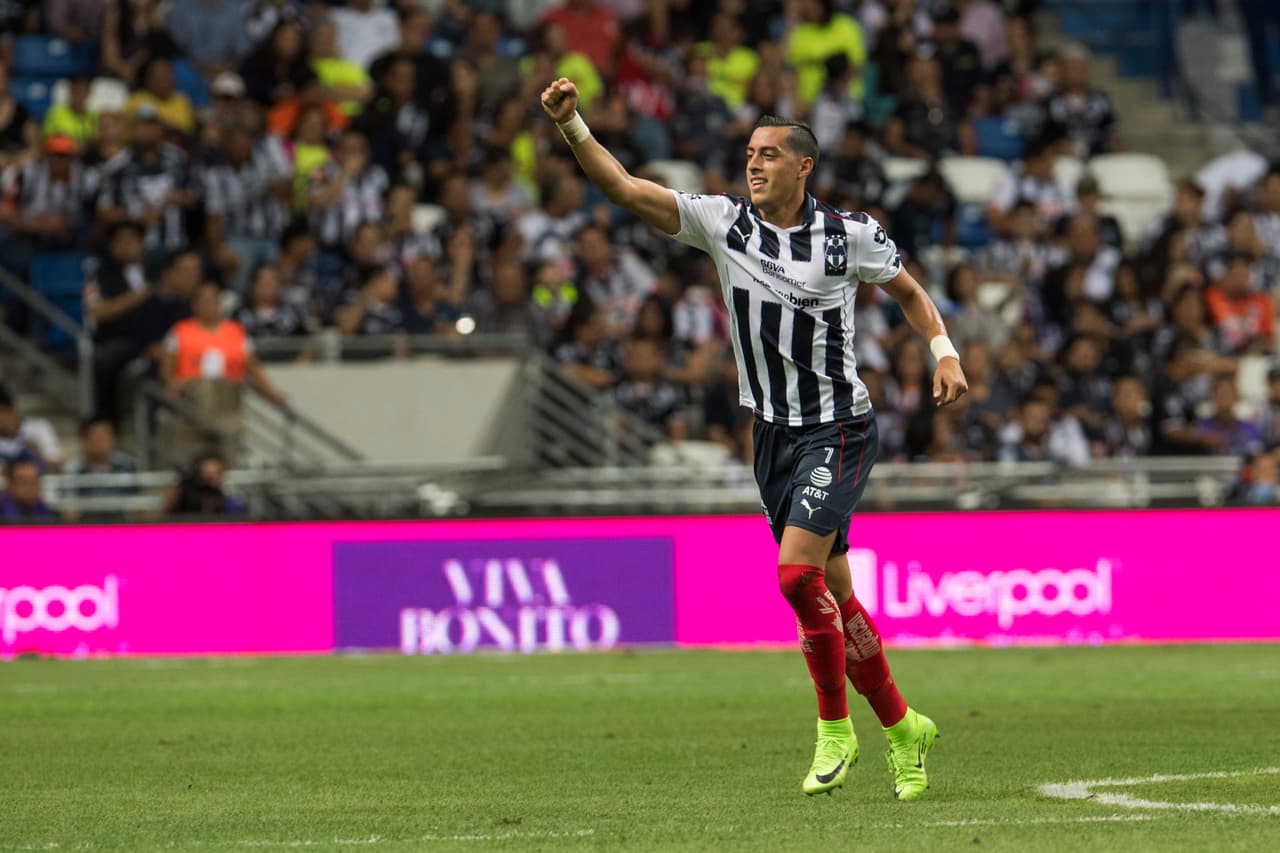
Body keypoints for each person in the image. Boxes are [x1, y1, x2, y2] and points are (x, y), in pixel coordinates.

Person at [540, 77, 967, 798]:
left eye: (770, 154)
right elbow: (624, 188)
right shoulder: (722, 222)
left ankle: (836, 729)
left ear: (804, 166)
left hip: (837, 425)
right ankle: (903, 726)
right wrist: (574, 124)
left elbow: (911, 293)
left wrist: (944, 349)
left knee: (796, 575)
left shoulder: (849, 236)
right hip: (771, 434)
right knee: (836, 591)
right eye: (749, 153)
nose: (755, 164)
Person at [0, 458, 55, 522]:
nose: (30, 488)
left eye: (34, 482)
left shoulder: (49, 514)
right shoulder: (2, 512)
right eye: (24, 482)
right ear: (10, 484)